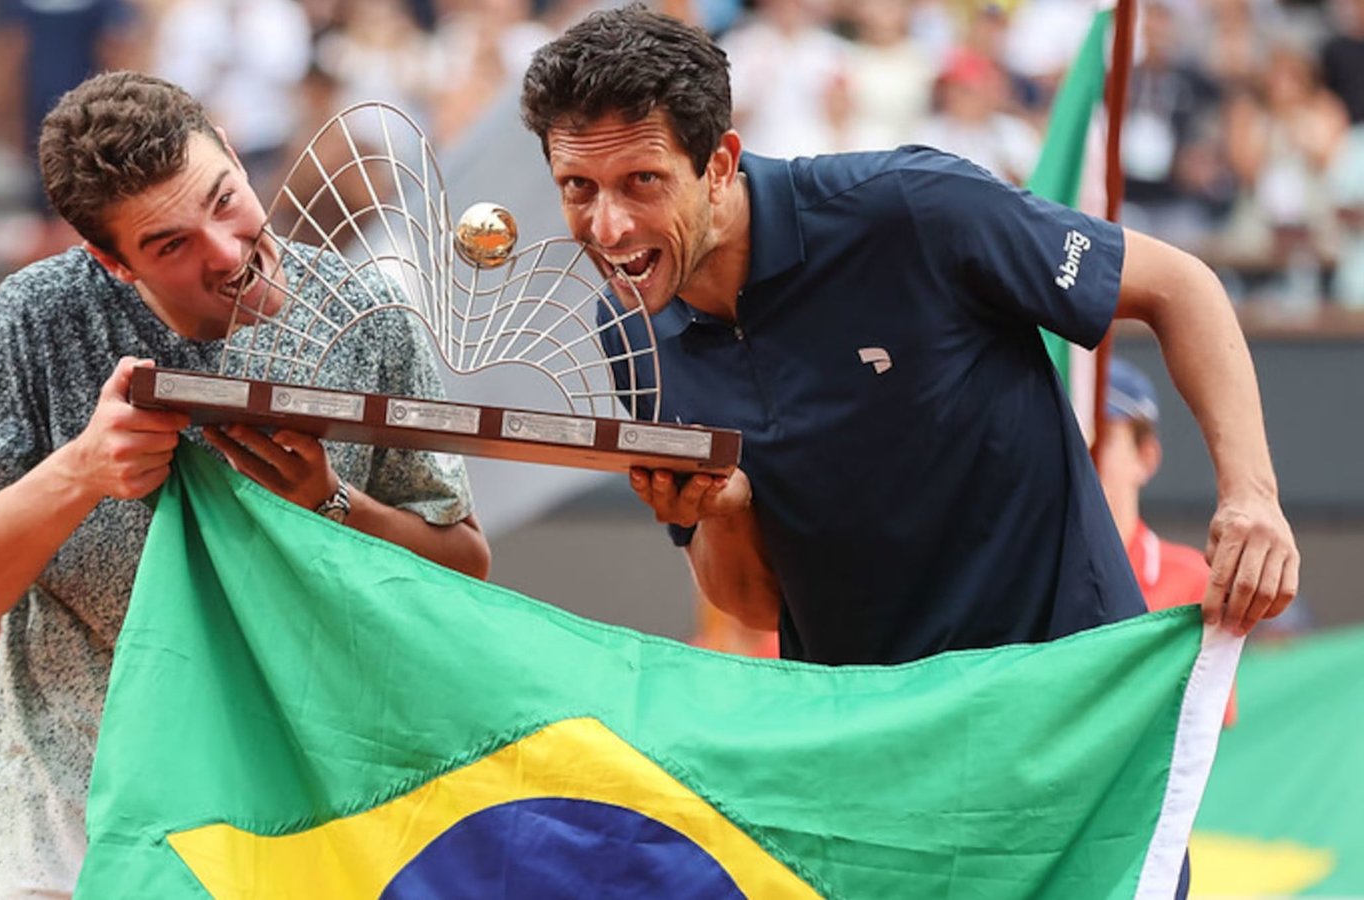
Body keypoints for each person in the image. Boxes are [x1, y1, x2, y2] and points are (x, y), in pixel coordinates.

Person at [518, 5, 1298, 667]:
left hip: (1061, 687)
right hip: (870, 746)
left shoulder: (912, 207)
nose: (608, 225)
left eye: (642, 182)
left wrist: (1252, 496)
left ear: (719, 164)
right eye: (577, 189)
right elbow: (753, 604)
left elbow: (1181, 286)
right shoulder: (624, 328)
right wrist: (723, 508)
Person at [0, 71, 490, 896]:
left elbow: (462, 570)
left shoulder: (370, 314)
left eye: (223, 198)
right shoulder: (36, 316)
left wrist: (331, 505)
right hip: (65, 859)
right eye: (170, 244)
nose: (225, 251)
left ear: (236, 155)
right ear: (110, 262)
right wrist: (79, 472)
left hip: (294, 846)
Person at [1096, 357, 1236, 726]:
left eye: (1101, 435)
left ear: (1146, 457)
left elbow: (1200, 728)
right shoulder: (1028, 576)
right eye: (1073, 436)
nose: (1084, 453)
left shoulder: (1194, 582)